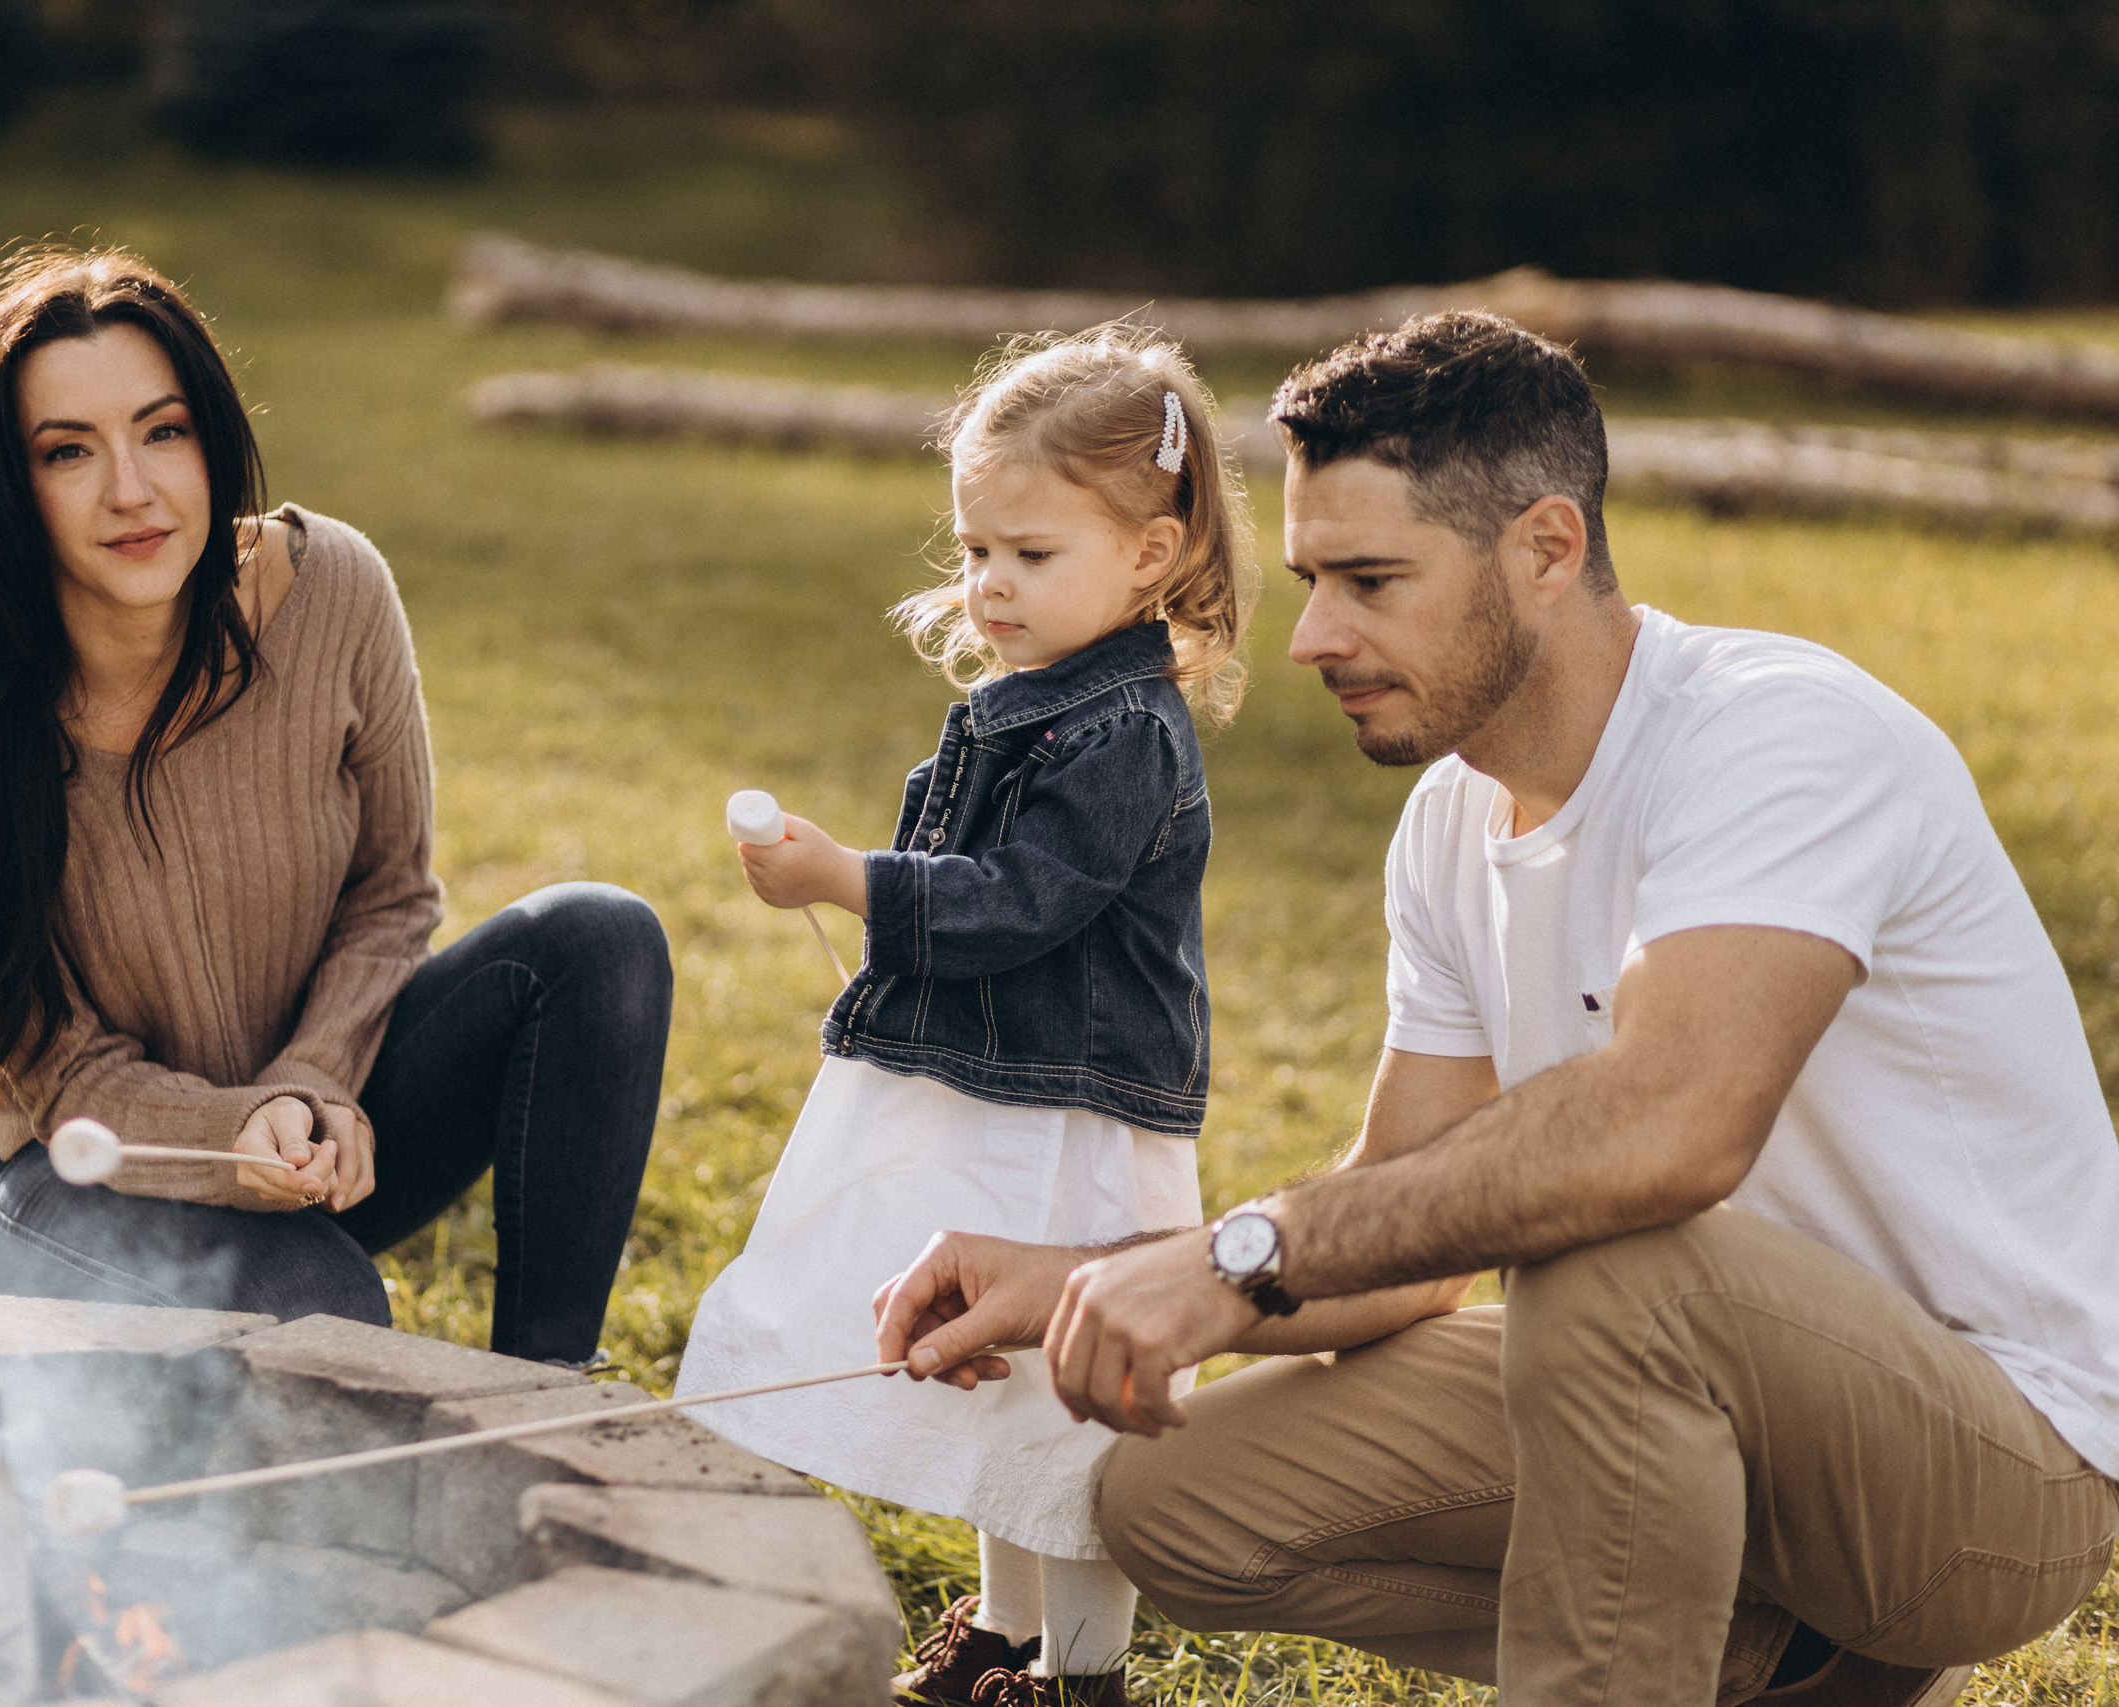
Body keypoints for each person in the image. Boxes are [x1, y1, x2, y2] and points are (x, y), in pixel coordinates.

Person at [871, 312, 2119, 1707]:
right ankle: (1795, 1659)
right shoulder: (1450, 824)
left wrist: (1231, 1257)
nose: (1315, 636)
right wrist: (1083, 1274)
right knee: (1169, 1497)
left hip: (1995, 1462)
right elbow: (1401, 1226)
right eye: (1309, 577)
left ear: (1545, 548)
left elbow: (1671, 1126)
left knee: (1608, 1253)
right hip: (1680, 1385)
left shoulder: (1783, 735)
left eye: (1372, 579)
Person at [0, 247, 670, 1361]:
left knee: (599, 941)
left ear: (210, 436)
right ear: (6, 486)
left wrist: (311, 1090)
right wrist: (235, 1132)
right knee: (330, 1320)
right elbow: (60, 1072)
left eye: (161, 430)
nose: (132, 490)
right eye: (68, 452)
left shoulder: (333, 592)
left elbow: (389, 895)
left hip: (317, 1121)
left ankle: (548, 1394)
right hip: (81, 1167)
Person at [677, 326, 1255, 1707]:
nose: (990, 582)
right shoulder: (1025, 699)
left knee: (1067, 1404)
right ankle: (1004, 1632)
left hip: (1067, 1115)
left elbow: (1018, 899)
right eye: (974, 546)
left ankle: (1085, 1670)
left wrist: (845, 879)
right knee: (990, 1373)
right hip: (977, 1090)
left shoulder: (1122, 728)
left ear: (1151, 552)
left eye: (1031, 553)